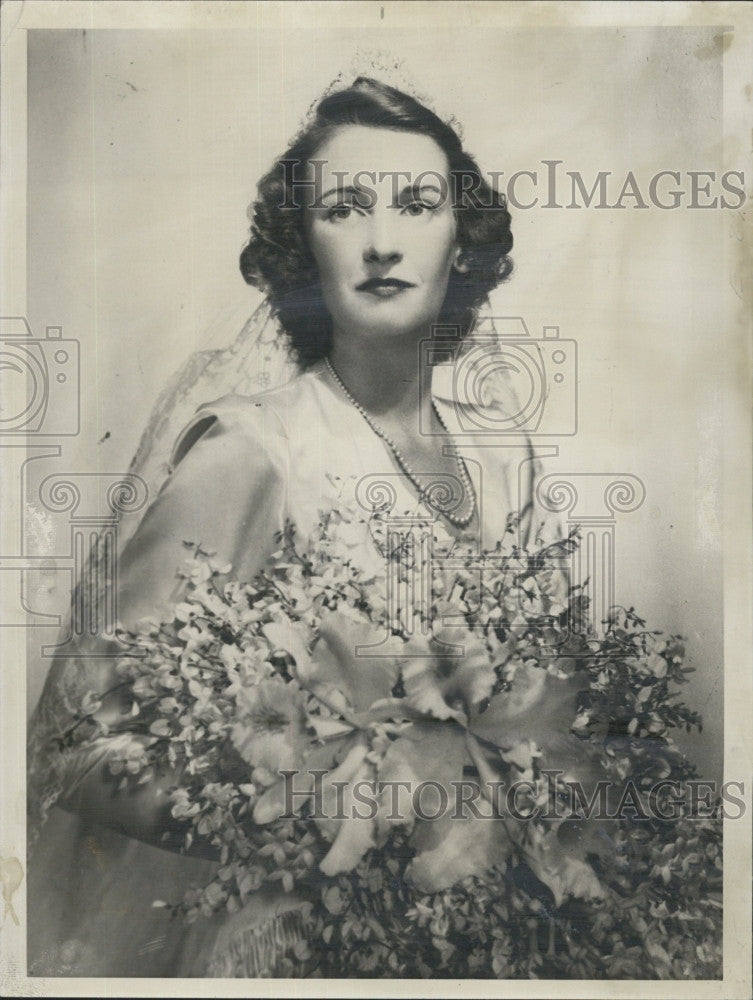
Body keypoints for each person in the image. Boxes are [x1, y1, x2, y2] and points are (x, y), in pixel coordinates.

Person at [27, 76, 554, 977]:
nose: (382, 241)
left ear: (463, 240)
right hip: (295, 947)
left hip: (480, 940)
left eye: (418, 205)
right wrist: (316, 820)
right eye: (344, 209)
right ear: (301, 245)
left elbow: (530, 722)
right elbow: (73, 751)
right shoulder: (255, 449)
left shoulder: (504, 462)